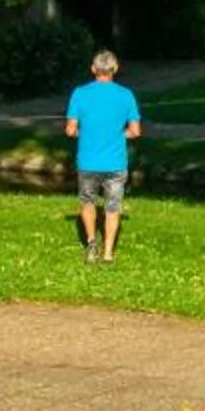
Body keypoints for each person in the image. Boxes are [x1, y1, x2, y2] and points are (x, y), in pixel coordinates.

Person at [65, 50, 143, 262]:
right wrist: (118, 135)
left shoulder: (80, 93)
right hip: (116, 163)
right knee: (112, 207)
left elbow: (70, 130)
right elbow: (135, 131)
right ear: (115, 69)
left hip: (88, 162)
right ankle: (108, 253)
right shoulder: (126, 95)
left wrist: (86, 132)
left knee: (88, 202)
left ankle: (91, 245)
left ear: (93, 69)